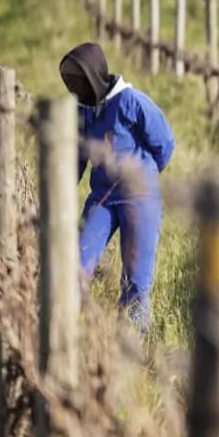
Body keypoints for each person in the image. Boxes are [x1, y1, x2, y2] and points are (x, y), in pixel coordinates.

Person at [60, 43, 174, 334]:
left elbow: (164, 142)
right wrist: (62, 191)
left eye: (78, 82)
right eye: (69, 83)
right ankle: (64, 335)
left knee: (135, 278)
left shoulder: (131, 102)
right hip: (102, 199)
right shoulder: (83, 111)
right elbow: (78, 156)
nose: (74, 89)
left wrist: (144, 177)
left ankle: (131, 344)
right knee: (76, 262)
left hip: (140, 200)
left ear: (94, 77)